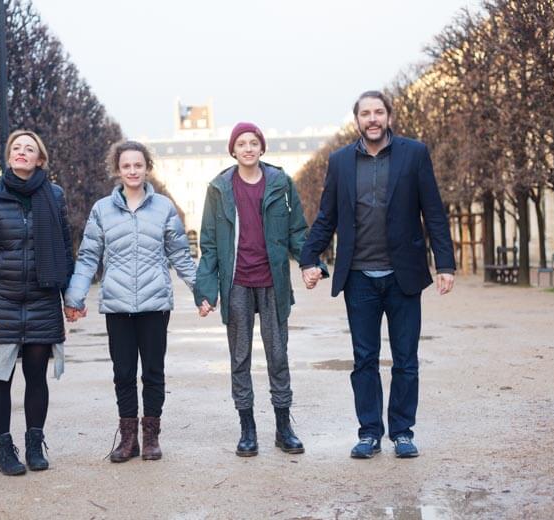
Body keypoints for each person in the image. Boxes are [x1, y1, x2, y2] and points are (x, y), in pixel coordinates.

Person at [300, 91, 455, 459]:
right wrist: (309, 257)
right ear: (357, 120)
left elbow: (433, 210)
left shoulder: (413, 153)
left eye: (378, 112)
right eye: (365, 113)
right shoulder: (339, 162)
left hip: (404, 275)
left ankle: (402, 432)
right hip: (359, 277)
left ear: (388, 116)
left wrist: (445, 264)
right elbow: (327, 216)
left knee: (405, 359)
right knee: (364, 359)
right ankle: (369, 432)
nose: (372, 119)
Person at [194, 122, 323, 457]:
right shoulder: (219, 188)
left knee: (278, 355)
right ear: (233, 150)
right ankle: (247, 429)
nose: (248, 148)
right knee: (240, 358)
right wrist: (206, 290)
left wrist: (312, 263)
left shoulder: (281, 183)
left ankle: (283, 427)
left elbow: (298, 231)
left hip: (273, 282)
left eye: (254, 143)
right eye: (242, 143)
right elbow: (208, 244)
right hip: (237, 282)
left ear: (262, 148)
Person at [63, 140, 196, 463]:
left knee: (153, 371)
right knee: (123, 372)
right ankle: (128, 439)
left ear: (147, 167)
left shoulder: (163, 208)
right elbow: (88, 256)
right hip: (118, 305)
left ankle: (151, 437)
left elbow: (180, 254)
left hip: (154, 304)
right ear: (118, 170)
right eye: (126, 166)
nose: (133, 171)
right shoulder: (102, 210)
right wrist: (74, 296)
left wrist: (201, 291)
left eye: (138, 165)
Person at [0, 130, 74, 475]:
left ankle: (34, 444)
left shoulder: (54, 196)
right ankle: (3, 449)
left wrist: (68, 299)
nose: (22, 153)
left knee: (36, 378)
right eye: (16, 148)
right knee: (0, 379)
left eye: (29, 149)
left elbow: (65, 251)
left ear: (40, 159)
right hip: (2, 302)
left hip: (43, 300)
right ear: (9, 155)